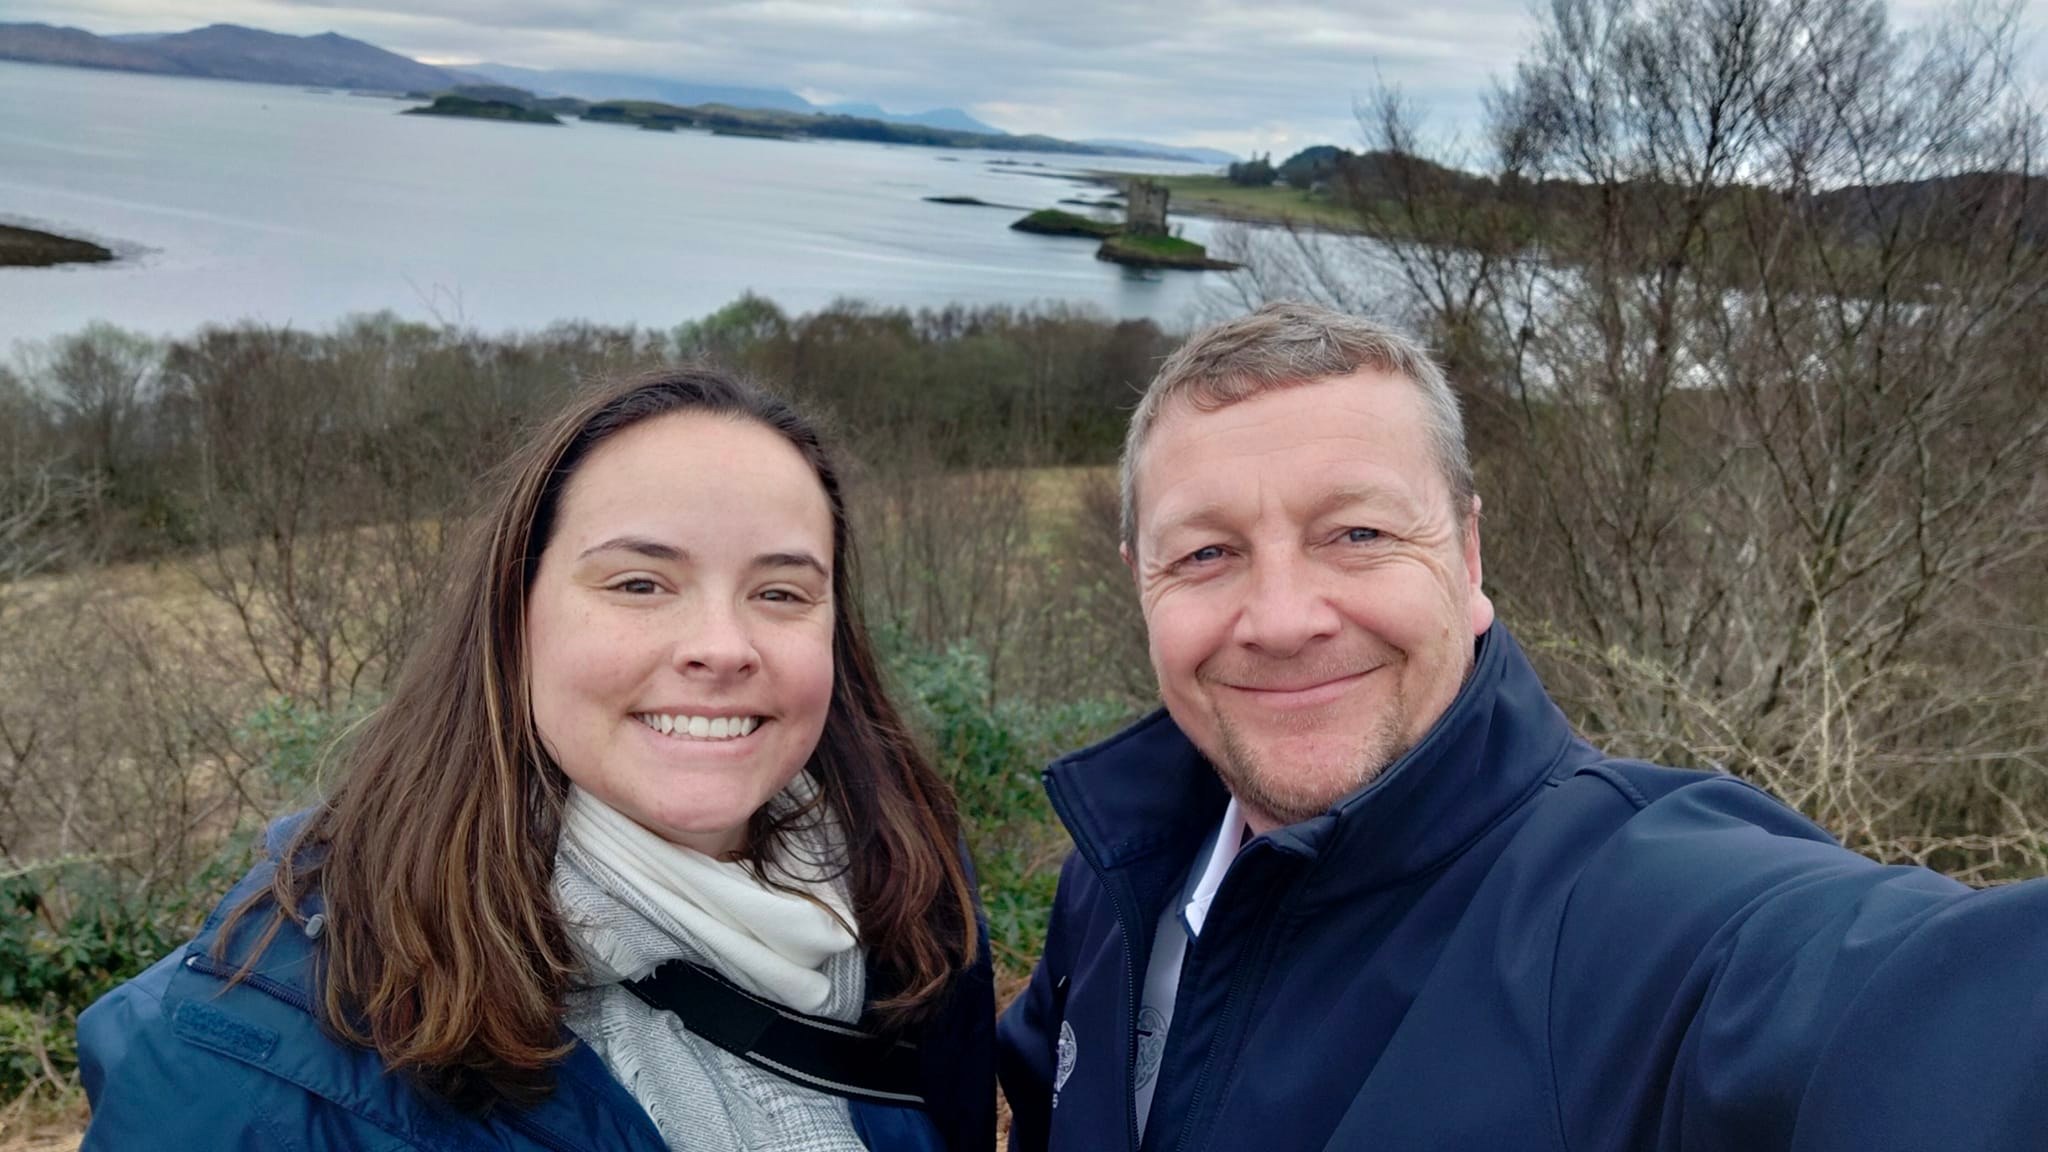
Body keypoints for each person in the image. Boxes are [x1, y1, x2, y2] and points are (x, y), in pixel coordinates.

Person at [996, 302, 2048, 1152]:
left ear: (1465, 558)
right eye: (1206, 554)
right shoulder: (1125, 867)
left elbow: (1925, 1023)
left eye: (1356, 533)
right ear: (1139, 585)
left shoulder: (1632, 914)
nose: (1279, 620)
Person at [79, 367, 994, 1152]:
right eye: (640, 583)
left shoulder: (908, 897)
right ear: (516, 619)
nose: (723, 646)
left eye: (782, 591)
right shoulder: (256, 1062)